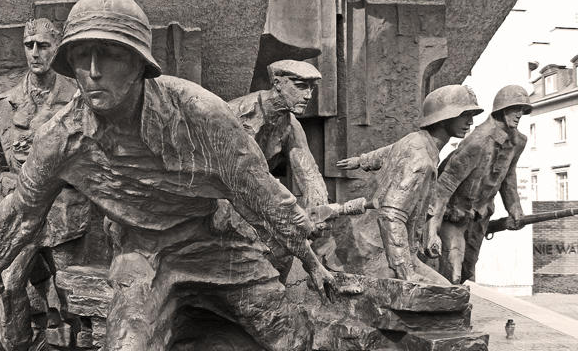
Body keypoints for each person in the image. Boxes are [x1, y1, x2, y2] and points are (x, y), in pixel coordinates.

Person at [0, 0, 333, 351]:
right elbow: (22, 211)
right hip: (142, 256)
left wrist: (313, 263)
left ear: (140, 63)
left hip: (214, 244)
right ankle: (167, 342)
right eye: (82, 56)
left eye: (111, 56)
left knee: (293, 340)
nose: (94, 71)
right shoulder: (60, 138)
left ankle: (193, 333)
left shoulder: (199, 114)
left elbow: (260, 193)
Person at [0, 18, 81, 351]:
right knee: (10, 286)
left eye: (42, 45)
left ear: (56, 48)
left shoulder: (78, 97)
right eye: (29, 45)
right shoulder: (3, 105)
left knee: (75, 288)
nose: (35, 53)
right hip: (21, 212)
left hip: (64, 209)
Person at [336, 85, 482, 283]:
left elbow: (389, 151)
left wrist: (361, 161)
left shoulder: (418, 140)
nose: (470, 122)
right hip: (378, 253)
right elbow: (390, 216)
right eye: (464, 115)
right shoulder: (421, 161)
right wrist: (406, 273)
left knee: (449, 291)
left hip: (389, 248)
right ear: (444, 116)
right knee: (448, 297)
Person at [228, 60, 330, 280]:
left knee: (283, 252)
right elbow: (246, 177)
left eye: (311, 88)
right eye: (301, 86)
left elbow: (309, 174)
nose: (308, 95)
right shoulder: (241, 114)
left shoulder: (291, 124)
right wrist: (296, 215)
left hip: (259, 196)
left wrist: (318, 212)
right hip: (223, 197)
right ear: (277, 83)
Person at [425, 85, 531, 284]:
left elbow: (508, 176)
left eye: (523, 110)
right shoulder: (478, 141)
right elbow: (443, 187)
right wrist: (432, 230)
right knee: (452, 270)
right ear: (501, 110)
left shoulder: (518, 142)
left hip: (479, 217)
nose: (519, 114)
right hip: (453, 214)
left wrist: (514, 207)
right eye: (514, 108)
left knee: (467, 271)